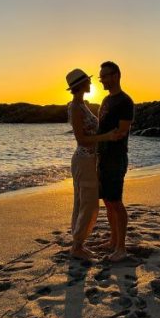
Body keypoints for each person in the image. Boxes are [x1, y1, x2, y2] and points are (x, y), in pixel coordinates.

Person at [65, 68, 125, 260]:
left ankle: (78, 243)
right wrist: (106, 136)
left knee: (83, 201)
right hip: (83, 160)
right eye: (88, 81)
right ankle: (77, 246)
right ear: (81, 85)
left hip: (89, 160)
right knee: (88, 203)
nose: (92, 84)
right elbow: (81, 138)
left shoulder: (82, 104)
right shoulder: (75, 106)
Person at [95, 61, 134, 262]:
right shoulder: (106, 100)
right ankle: (112, 240)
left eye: (104, 76)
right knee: (108, 202)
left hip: (116, 158)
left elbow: (119, 133)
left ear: (116, 75)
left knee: (116, 202)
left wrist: (98, 138)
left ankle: (121, 247)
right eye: (100, 76)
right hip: (102, 157)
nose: (101, 79)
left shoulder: (125, 102)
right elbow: (103, 130)